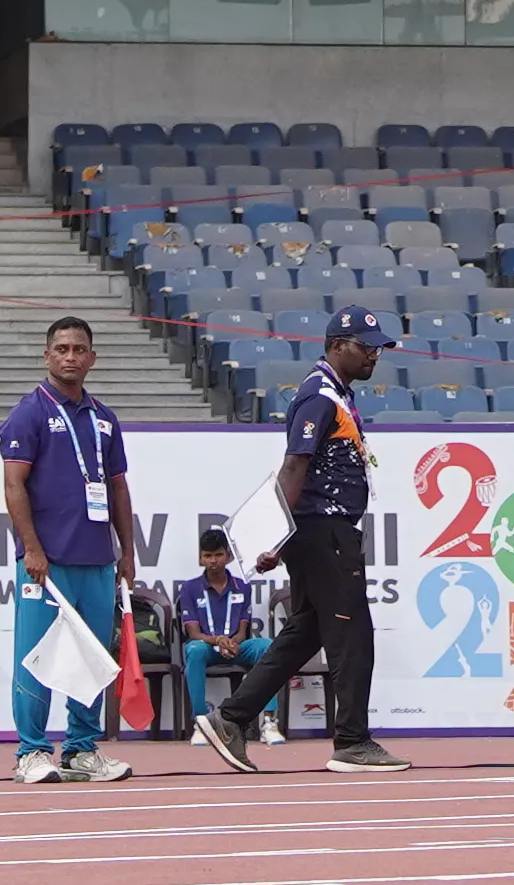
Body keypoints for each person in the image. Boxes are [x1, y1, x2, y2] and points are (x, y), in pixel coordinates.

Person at [200, 306, 408, 773]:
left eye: (378, 348)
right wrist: (275, 538)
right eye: (365, 347)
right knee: (353, 635)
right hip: (323, 531)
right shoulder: (319, 396)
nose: (374, 355)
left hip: (322, 530)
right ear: (336, 346)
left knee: (305, 634)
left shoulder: (335, 394)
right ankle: (352, 741)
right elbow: (294, 464)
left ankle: (231, 719)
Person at [0, 315, 138, 785]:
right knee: (36, 656)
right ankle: (31, 751)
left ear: (92, 358)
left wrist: (127, 552)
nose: (70, 357)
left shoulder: (104, 419)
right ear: (47, 356)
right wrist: (31, 549)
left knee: (91, 658)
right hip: (47, 563)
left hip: (96, 560)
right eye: (61, 349)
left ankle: (81, 749)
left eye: (79, 349)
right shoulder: (29, 413)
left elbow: (118, 488)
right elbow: (13, 485)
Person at [174, 524, 279, 744]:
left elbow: (242, 630)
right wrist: (218, 640)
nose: (213, 561)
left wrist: (232, 643)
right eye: (207, 556)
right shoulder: (190, 588)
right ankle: (201, 724)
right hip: (206, 647)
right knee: (194, 649)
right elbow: (193, 633)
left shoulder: (242, 587)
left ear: (229, 556)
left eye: (218, 555)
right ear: (200, 558)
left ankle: (269, 722)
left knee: (266, 646)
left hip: (236, 646)